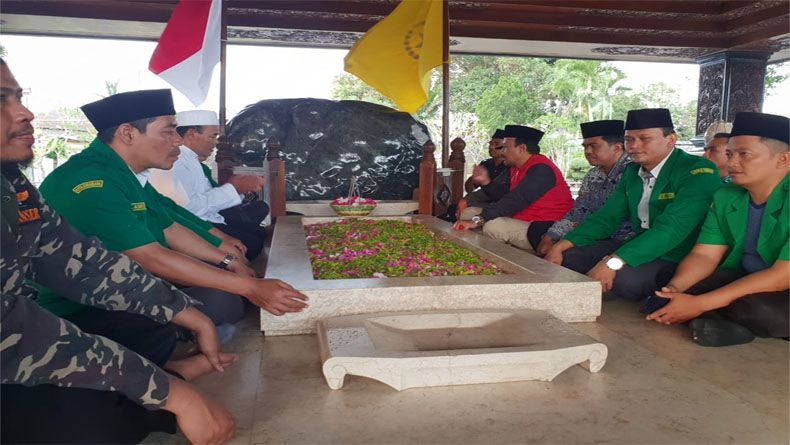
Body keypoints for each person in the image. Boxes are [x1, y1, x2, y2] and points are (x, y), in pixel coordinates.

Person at [0, 57, 235, 444]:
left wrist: (186, 312)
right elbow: (10, 328)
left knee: (172, 323)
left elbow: (78, 260)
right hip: (38, 327)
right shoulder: (90, 178)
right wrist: (171, 392)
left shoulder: (13, 183)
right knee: (92, 422)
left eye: (19, 97)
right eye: (2, 100)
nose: (25, 113)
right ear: (127, 133)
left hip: (37, 328)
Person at [38, 89, 308, 332]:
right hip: (81, 304)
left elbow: (170, 226)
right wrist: (249, 287)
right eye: (168, 132)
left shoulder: (126, 175)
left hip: (134, 282)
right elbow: (151, 257)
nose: (177, 142)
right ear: (127, 133)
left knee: (226, 293)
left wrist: (228, 260)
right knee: (222, 302)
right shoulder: (91, 182)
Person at [545, 108, 721, 302]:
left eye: (644, 139)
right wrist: (561, 245)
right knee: (570, 257)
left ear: (671, 139)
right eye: (629, 140)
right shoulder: (632, 171)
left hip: (676, 253)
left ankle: (659, 295)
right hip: (637, 243)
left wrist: (614, 261)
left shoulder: (697, 171)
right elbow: (607, 217)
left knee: (622, 280)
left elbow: (672, 228)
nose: (634, 146)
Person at [646, 112, 789, 347]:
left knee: (761, 310)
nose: (731, 163)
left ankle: (707, 316)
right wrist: (675, 289)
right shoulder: (726, 195)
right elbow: (705, 254)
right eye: (730, 154)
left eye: (745, 154)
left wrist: (699, 303)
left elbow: (782, 276)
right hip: (749, 276)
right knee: (668, 278)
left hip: (782, 283)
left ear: (783, 159)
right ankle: (724, 324)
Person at [150, 110, 268, 260]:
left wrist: (238, 189)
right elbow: (187, 210)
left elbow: (207, 198)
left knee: (258, 221)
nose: (216, 142)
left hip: (210, 217)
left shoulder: (191, 159)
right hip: (195, 224)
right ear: (192, 134)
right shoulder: (175, 162)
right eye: (213, 136)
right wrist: (234, 188)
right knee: (253, 242)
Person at [453, 124, 574, 251]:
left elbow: (514, 200)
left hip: (542, 226)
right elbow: (502, 194)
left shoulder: (542, 169)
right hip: (520, 217)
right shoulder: (514, 168)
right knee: (468, 213)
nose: (502, 152)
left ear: (521, 148)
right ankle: (472, 251)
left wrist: (478, 220)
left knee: (494, 227)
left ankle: (495, 263)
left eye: (505, 148)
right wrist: (486, 182)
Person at [536, 120, 632, 256]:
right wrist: (550, 236)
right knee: (540, 234)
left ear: (617, 148)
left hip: (621, 238)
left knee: (570, 255)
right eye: (585, 146)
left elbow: (612, 220)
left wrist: (568, 241)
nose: (587, 151)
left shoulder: (632, 172)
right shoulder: (593, 174)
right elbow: (579, 211)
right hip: (591, 231)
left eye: (594, 146)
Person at [464, 128, 507, 193]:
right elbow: (469, 189)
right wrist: (473, 179)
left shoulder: (510, 166)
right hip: (484, 200)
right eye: (490, 144)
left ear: (505, 147)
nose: (491, 147)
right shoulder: (485, 164)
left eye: (496, 144)